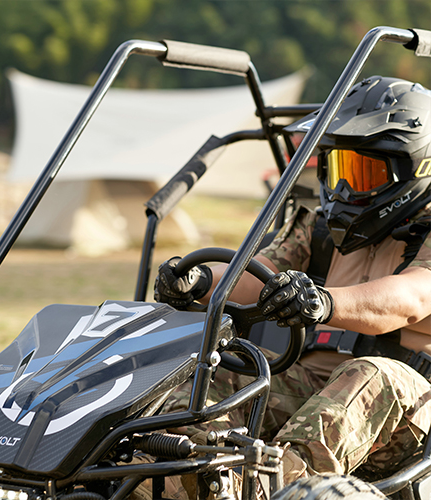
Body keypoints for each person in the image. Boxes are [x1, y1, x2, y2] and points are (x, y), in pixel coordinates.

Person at [154, 76, 431, 486]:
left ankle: (276, 488)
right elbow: (256, 272)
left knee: (373, 375)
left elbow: (410, 298)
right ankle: (189, 479)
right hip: (313, 386)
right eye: (337, 168)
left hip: (406, 410)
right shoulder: (319, 227)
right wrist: (195, 280)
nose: (342, 188)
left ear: (414, 167)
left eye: (361, 171)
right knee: (210, 374)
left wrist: (322, 301)